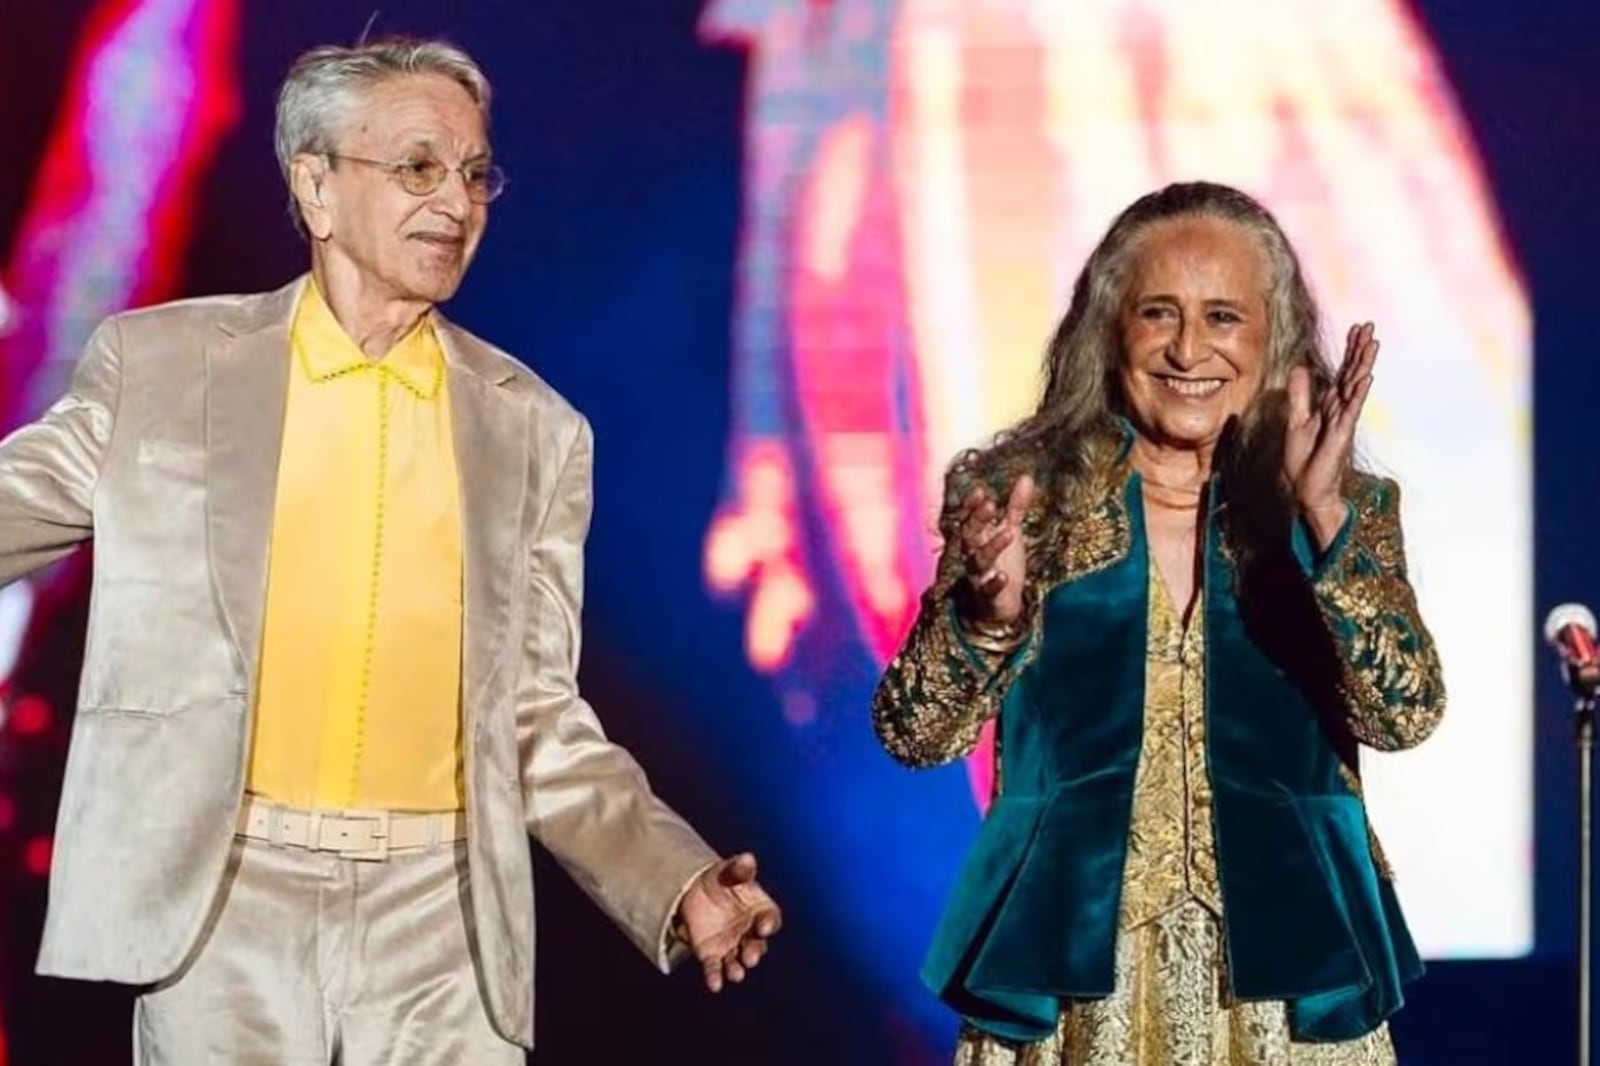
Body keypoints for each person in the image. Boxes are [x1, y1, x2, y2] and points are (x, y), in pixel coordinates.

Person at [0, 36, 779, 1065]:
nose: (455, 201)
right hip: (224, 906)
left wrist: (673, 879)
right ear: (315, 187)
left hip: (441, 923)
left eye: (475, 174)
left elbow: (537, 721)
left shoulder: (534, 432)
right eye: (418, 168)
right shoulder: (165, 370)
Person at [873, 181, 1444, 1064]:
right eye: (1158, 313)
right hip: (1071, 977)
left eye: (1223, 317)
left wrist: (1325, 519)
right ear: (1109, 331)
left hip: (1291, 984)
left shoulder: (1338, 509)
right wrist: (987, 618)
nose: (1187, 349)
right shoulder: (1025, 502)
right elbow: (914, 735)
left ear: (1274, 337)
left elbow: (1404, 715)